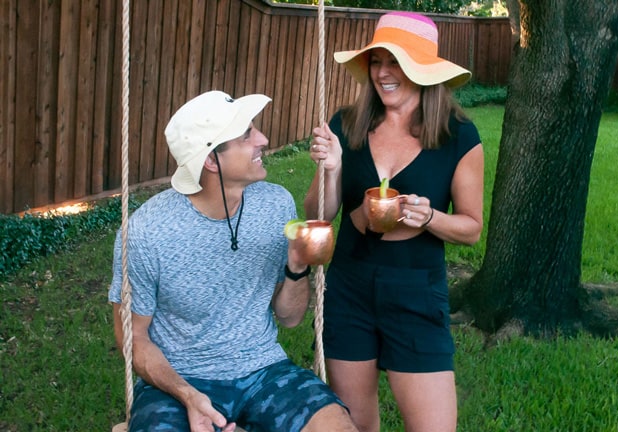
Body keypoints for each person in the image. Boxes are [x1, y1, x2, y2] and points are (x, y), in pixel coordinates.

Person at [108, 90, 358, 432]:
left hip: (263, 370)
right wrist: (186, 395)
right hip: (179, 380)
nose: (263, 140)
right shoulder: (147, 232)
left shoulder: (275, 205)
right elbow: (133, 336)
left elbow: (290, 318)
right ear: (212, 160)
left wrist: (297, 267)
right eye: (246, 135)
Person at [304, 11, 484, 432]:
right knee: (356, 426)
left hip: (416, 291)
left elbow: (472, 228)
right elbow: (319, 213)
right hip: (350, 286)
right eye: (377, 61)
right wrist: (331, 168)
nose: (384, 73)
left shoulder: (458, 135)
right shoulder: (346, 125)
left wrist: (430, 217)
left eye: (396, 62)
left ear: (422, 69)